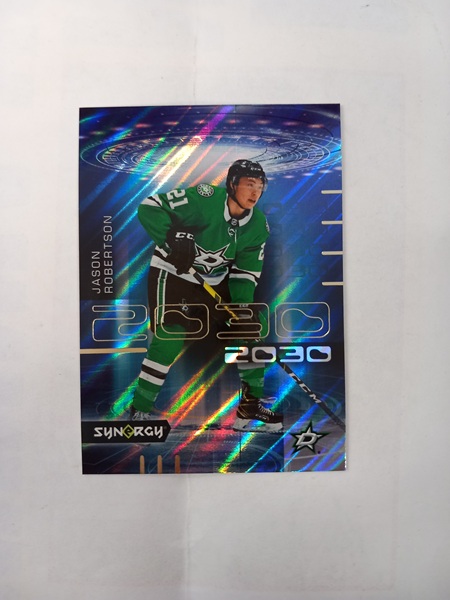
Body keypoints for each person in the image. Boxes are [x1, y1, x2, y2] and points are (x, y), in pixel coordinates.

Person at [130, 159, 282, 432]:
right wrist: (171, 239)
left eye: (260, 187)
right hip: (174, 273)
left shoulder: (258, 225)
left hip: (215, 279)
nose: (255, 192)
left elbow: (245, 273)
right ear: (232, 184)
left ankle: (248, 410)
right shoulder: (204, 199)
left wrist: (242, 311)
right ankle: (139, 411)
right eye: (249, 184)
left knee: (251, 325)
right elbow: (149, 207)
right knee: (170, 336)